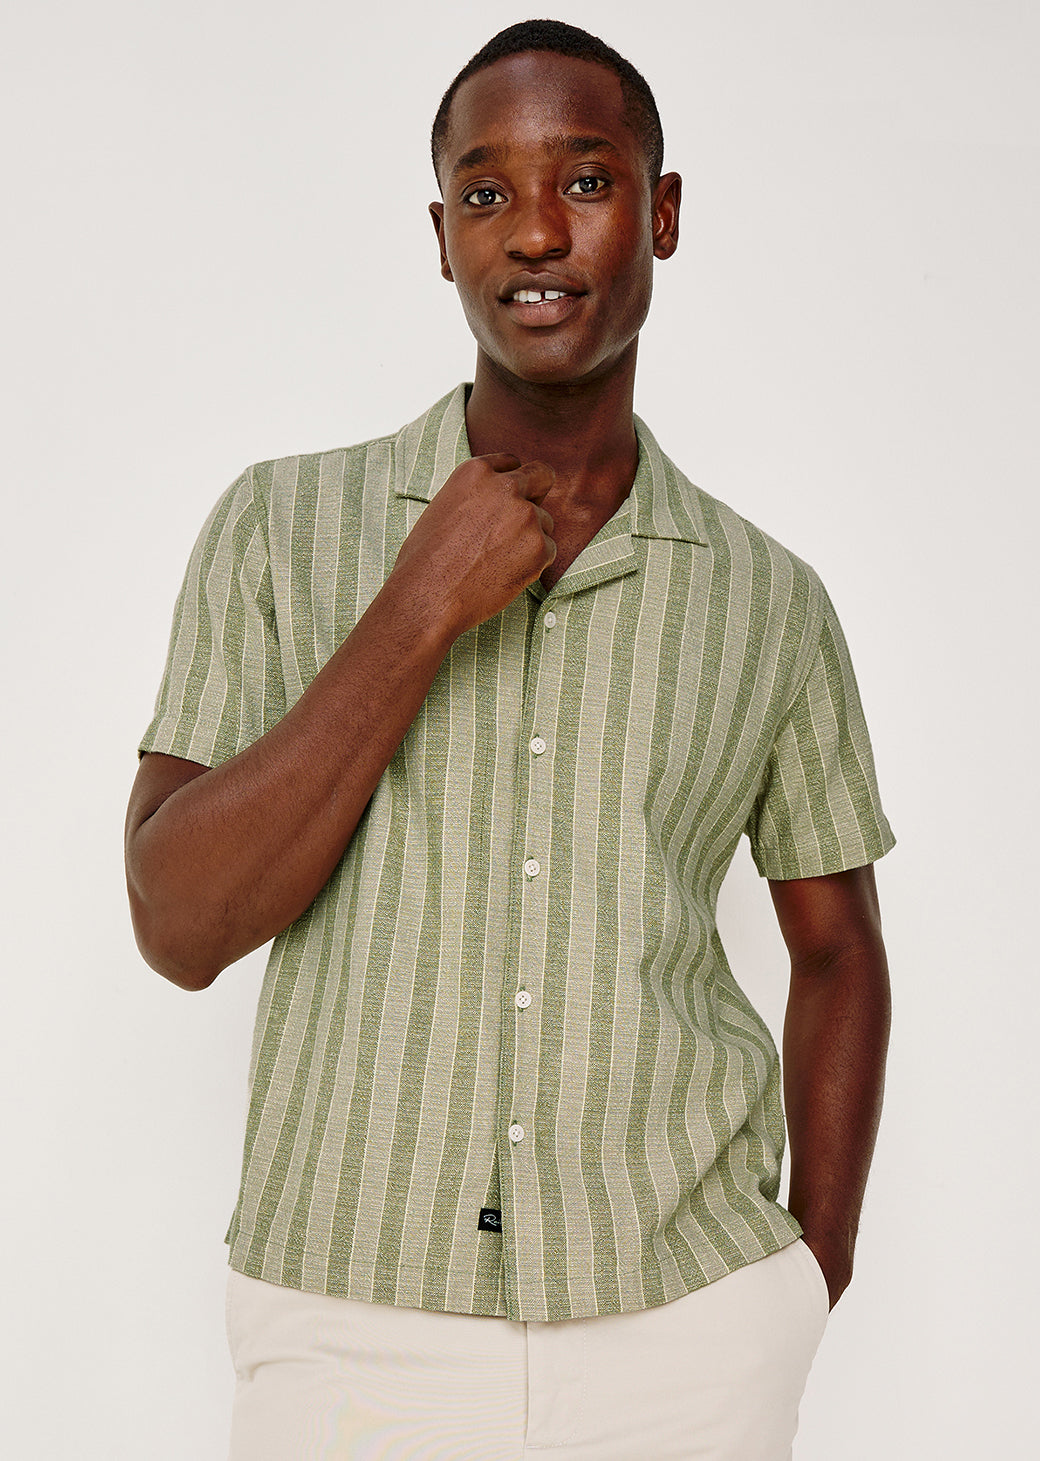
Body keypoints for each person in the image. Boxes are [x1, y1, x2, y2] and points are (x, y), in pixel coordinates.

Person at [125, 19, 894, 1460]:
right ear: (439, 236)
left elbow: (838, 943)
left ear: (663, 212)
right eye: (486, 193)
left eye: (587, 181)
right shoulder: (282, 531)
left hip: (685, 1319)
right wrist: (420, 602)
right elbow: (176, 921)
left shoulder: (769, 598)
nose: (536, 233)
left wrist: (805, 1273)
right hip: (350, 1320)